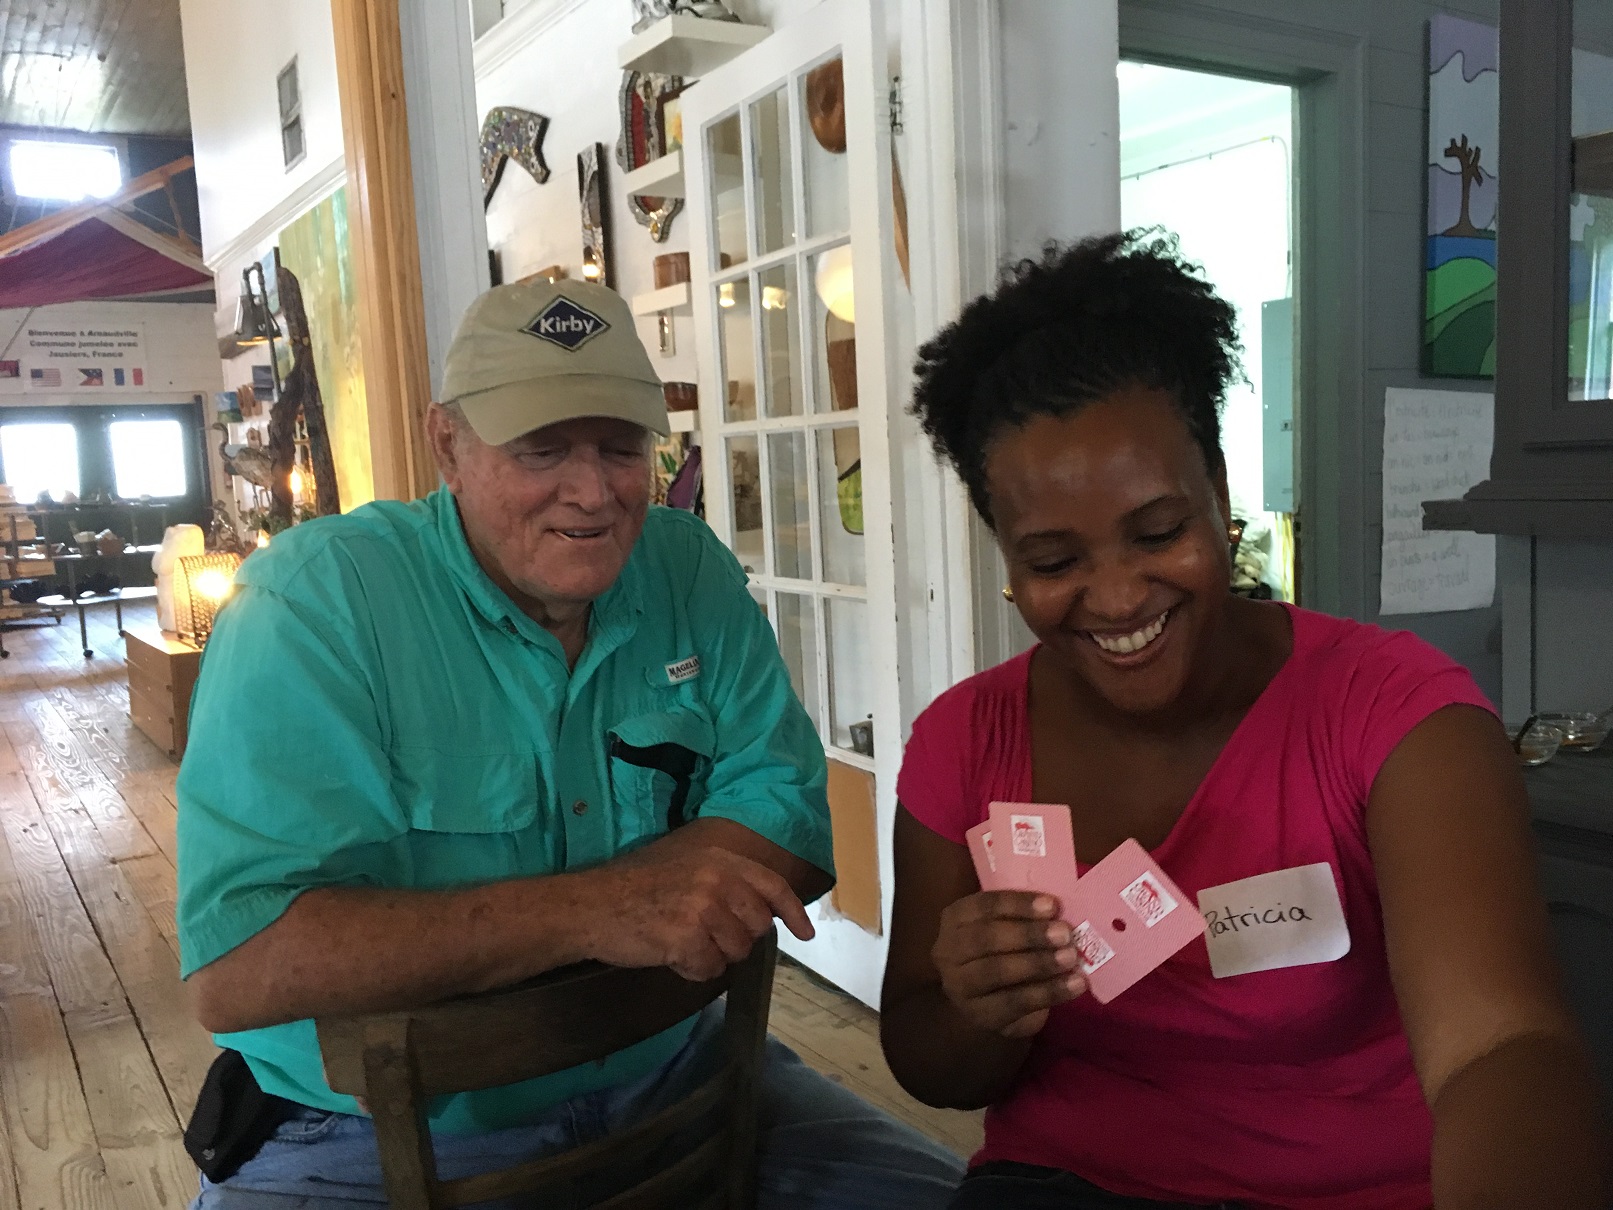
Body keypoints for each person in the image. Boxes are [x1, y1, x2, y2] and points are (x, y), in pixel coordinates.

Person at [176, 280, 963, 1208]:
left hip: (685, 1076)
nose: (592, 494)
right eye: (542, 448)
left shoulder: (685, 565)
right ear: (448, 446)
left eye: (621, 446)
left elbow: (785, 813)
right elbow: (242, 963)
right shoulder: (316, 604)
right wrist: (597, 911)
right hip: (363, 1140)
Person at [879, 233, 1610, 1210]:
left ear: (1219, 496)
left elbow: (1501, 1043)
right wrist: (983, 1011)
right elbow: (928, 1062)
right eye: (1053, 562)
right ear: (1005, 563)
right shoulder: (961, 744)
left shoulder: (1393, 715)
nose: (1115, 595)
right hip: (1065, 1182)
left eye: (1157, 532)